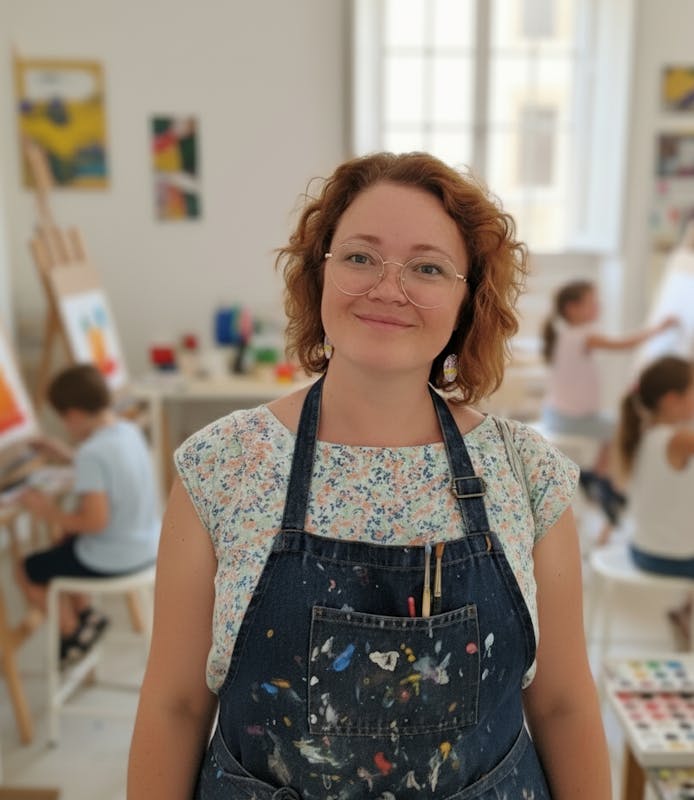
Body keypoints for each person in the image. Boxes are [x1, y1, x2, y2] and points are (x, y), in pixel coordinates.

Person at [128, 152, 611, 799]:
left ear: (468, 300)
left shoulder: (528, 473)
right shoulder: (222, 467)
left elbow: (564, 706)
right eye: (360, 257)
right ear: (319, 273)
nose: (388, 287)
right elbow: (174, 706)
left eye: (428, 267)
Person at [15, 364, 160, 665]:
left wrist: (46, 511)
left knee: (27, 569)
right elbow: (111, 472)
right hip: (148, 547)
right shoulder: (128, 430)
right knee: (66, 543)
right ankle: (87, 616)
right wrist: (68, 456)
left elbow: (94, 523)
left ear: (74, 415)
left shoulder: (91, 453)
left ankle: (73, 633)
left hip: (117, 558)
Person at [541, 279, 677, 529]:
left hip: (557, 413)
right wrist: (660, 328)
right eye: (592, 302)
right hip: (571, 418)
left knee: (610, 426)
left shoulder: (563, 332)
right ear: (572, 308)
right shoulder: (584, 335)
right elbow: (624, 344)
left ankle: (596, 477)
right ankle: (602, 482)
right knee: (622, 428)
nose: (599, 306)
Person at [617, 354, 694, 647]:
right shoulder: (679, 440)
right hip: (668, 559)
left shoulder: (647, 433)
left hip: (642, 548)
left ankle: (685, 613)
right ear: (673, 400)